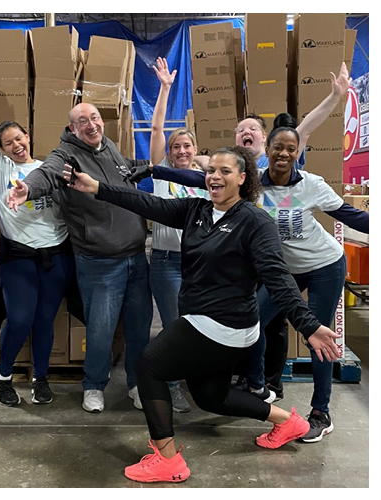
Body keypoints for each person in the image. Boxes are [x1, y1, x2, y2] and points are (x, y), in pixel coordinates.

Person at [62, 146, 341, 483]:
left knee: (148, 365)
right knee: (212, 396)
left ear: (242, 178)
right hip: (203, 320)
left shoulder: (255, 222)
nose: (215, 177)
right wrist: (97, 188)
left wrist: (308, 324)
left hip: (226, 324)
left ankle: (167, 458)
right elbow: (150, 204)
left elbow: (277, 277)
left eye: (225, 171)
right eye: (211, 171)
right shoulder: (197, 210)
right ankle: (287, 422)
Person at [129, 61, 352, 402]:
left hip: (305, 264)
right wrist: (155, 165)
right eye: (241, 130)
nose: (248, 134)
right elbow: (188, 169)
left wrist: (335, 98)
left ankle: (298, 398)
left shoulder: (278, 166)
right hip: (244, 264)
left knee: (290, 329)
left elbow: (304, 130)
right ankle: (250, 382)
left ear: (268, 140)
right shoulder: (228, 173)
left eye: (254, 129)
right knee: (247, 322)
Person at [136, 124, 369, 444]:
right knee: (252, 319)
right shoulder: (255, 182)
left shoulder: (312, 184)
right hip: (284, 269)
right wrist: (154, 170)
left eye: (291, 148)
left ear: (298, 152)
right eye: (278, 147)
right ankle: (257, 385)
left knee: (316, 334)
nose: (284, 153)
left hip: (323, 265)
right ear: (268, 151)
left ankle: (320, 411)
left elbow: (349, 215)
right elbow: (197, 179)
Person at [7, 102, 153, 413]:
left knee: (139, 328)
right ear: (72, 128)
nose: (91, 125)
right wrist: (27, 190)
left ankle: (137, 383)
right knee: (100, 329)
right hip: (100, 262)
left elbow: (122, 172)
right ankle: (94, 385)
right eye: (82, 121)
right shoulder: (67, 156)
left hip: (136, 258)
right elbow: (45, 174)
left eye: (95, 118)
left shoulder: (108, 146)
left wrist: (151, 166)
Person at [0, 58, 74, 407]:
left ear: (28, 136)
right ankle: (4, 376)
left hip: (56, 256)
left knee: (44, 320)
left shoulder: (48, 166)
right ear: (2, 149)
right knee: (19, 318)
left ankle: (40, 379)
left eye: (19, 137)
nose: (16, 145)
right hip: (18, 258)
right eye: (8, 142)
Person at [148, 57, 211, 413]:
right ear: (170, 153)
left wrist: (206, 163)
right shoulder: (162, 176)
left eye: (188, 146)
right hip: (167, 263)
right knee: (173, 326)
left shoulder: (206, 180)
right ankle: (171, 385)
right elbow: (156, 131)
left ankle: (198, 381)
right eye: (177, 147)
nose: (182, 151)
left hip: (199, 263)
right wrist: (165, 89)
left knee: (199, 325)